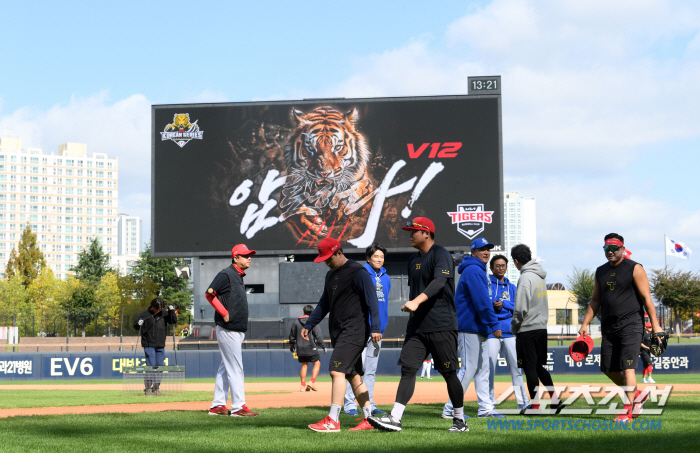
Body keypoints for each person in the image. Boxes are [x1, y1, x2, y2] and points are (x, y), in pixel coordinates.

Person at [369, 217, 468, 433]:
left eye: (414, 231)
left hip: (442, 324)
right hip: (417, 327)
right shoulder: (413, 259)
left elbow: (439, 282)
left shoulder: (441, 254)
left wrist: (416, 301)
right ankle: (395, 418)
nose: (410, 234)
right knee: (408, 370)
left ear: (427, 233)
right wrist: (413, 305)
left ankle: (460, 420)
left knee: (449, 373)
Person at [579, 234, 663, 422]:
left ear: (623, 249)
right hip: (609, 326)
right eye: (606, 249)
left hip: (631, 325)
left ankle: (627, 410)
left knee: (628, 367)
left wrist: (656, 326)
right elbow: (595, 300)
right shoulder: (600, 271)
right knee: (608, 368)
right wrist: (584, 324)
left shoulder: (635, 268)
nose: (610, 252)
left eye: (614, 248)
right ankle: (638, 395)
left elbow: (647, 299)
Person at [303, 237, 382, 432]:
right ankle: (369, 419)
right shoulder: (330, 276)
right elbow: (324, 304)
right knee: (353, 376)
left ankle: (333, 420)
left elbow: (373, 301)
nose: (327, 263)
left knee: (336, 371)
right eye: (324, 260)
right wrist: (310, 323)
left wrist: (376, 328)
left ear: (339, 252)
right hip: (339, 332)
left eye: (329, 258)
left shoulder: (358, 272)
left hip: (355, 330)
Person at [442, 237, 502, 419]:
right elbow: (482, 303)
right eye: (482, 249)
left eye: (488, 249)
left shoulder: (477, 270)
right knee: (468, 369)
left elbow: (482, 300)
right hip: (469, 327)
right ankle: (450, 409)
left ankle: (485, 408)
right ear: (473, 252)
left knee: (483, 369)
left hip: (478, 327)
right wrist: (494, 323)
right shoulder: (474, 270)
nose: (486, 252)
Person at [205, 244, 259, 417]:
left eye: (249, 255)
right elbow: (209, 294)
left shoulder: (237, 276)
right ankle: (238, 407)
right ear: (235, 258)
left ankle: (217, 405)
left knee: (226, 367)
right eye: (245, 255)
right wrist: (224, 312)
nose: (249, 258)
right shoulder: (226, 274)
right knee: (235, 367)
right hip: (228, 329)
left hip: (234, 329)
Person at [510, 243, 564, 414]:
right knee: (539, 367)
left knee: (529, 368)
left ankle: (534, 406)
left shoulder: (525, 277)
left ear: (516, 261)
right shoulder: (540, 276)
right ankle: (555, 401)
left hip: (527, 329)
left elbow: (520, 308)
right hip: (541, 328)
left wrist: (514, 327)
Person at [344, 242, 391, 416]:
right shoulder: (361, 275)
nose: (379, 259)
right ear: (368, 258)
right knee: (355, 370)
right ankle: (349, 404)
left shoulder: (386, 277)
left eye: (382, 256)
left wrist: (380, 327)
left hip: (378, 331)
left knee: (371, 370)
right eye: (376, 256)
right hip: (362, 329)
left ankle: (368, 403)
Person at [485, 255, 529, 411]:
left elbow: (518, 305)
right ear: (491, 268)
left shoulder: (511, 286)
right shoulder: (487, 283)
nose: (501, 268)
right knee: (489, 370)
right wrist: (494, 304)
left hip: (509, 332)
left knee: (517, 370)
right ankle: (489, 404)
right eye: (497, 265)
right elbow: (483, 304)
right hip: (491, 332)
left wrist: (503, 303)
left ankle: (523, 403)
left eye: (503, 265)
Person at [133, 297, 177, 396]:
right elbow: (135, 325)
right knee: (151, 366)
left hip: (160, 345)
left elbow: (173, 321)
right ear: (153, 307)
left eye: (161, 308)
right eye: (158, 308)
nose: (159, 310)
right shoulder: (144, 314)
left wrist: (171, 311)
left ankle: (156, 389)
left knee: (160, 366)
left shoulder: (164, 313)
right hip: (149, 344)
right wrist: (138, 323)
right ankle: (148, 389)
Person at [290, 305, 327, 392]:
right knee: (317, 364)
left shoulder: (296, 322)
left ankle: (303, 386)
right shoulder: (313, 322)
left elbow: (292, 335)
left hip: (300, 347)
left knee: (304, 365)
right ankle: (312, 382)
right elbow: (318, 336)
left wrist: (292, 345)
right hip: (311, 346)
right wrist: (323, 346)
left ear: (304, 312)